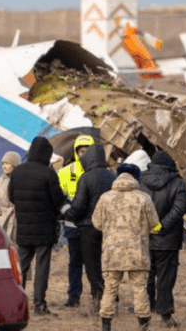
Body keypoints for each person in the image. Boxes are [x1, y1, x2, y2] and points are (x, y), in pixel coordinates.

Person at [91, 162, 160, 331]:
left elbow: (97, 223)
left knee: (110, 289)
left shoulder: (105, 198)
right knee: (140, 289)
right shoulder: (143, 198)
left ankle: (106, 329)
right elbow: (155, 224)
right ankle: (143, 329)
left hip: (112, 253)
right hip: (137, 252)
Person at [8, 137, 64, 316]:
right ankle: (39, 305)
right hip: (44, 229)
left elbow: (11, 197)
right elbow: (58, 201)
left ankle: (18, 305)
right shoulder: (48, 173)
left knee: (21, 268)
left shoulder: (18, 172)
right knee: (42, 268)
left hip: (24, 229)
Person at [64, 143, 113, 315]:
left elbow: (78, 205)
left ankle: (98, 300)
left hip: (88, 228)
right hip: (110, 229)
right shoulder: (112, 176)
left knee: (92, 266)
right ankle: (111, 299)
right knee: (108, 267)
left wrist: (68, 216)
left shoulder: (85, 178)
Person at [139, 151, 186, 327]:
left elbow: (136, 206)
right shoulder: (177, 182)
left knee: (147, 275)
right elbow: (179, 208)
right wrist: (161, 226)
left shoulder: (141, 180)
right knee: (166, 278)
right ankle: (165, 314)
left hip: (145, 237)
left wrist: (148, 226)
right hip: (168, 240)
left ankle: (146, 311)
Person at [56, 134, 95, 307]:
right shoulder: (65, 172)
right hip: (72, 225)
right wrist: (68, 213)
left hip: (93, 226)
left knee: (94, 263)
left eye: (87, 151)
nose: (84, 155)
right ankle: (73, 296)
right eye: (81, 151)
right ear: (76, 152)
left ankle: (98, 295)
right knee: (75, 263)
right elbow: (60, 198)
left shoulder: (98, 173)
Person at [0, 151, 21, 242]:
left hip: (19, 224)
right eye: (3, 164)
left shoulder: (23, 180)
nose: (5, 166)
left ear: (14, 165)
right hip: (3, 222)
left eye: (7, 163)